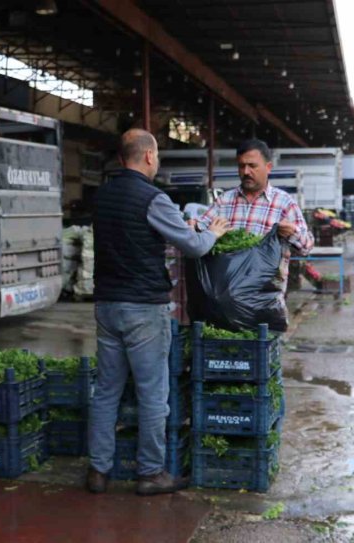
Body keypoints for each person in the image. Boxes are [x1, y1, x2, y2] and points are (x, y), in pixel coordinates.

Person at [88, 128, 230, 496]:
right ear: (149, 156)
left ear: (122, 157)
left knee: (106, 391)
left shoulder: (101, 196)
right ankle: (151, 473)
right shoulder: (154, 198)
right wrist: (212, 231)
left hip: (106, 305)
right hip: (143, 309)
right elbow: (195, 247)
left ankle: (98, 471)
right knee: (153, 394)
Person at [195, 139, 314, 297]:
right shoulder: (224, 201)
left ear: (268, 167)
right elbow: (199, 233)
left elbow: (307, 247)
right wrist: (194, 227)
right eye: (241, 166)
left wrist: (292, 233)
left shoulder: (284, 204)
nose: (246, 172)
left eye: (252, 166)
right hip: (226, 296)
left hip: (265, 299)